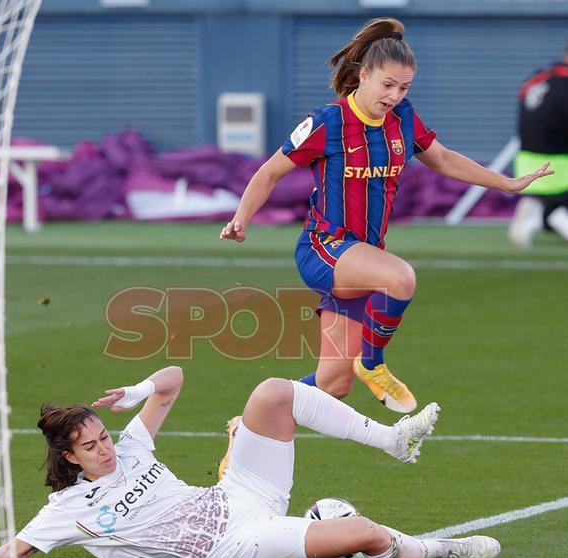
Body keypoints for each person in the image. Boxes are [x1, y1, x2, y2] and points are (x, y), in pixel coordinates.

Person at [220, 17, 553, 414]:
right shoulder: (327, 122)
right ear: (363, 75)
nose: (395, 95)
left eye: (404, 87)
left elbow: (443, 159)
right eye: (388, 85)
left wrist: (507, 184)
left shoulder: (403, 119)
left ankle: (248, 423)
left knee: (331, 386)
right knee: (400, 278)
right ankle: (372, 363)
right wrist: (241, 218)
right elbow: (269, 171)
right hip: (325, 248)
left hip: (363, 257)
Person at [0, 366, 500, 558]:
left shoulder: (130, 446)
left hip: (238, 492)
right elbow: (13, 553)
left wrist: (141, 389)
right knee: (365, 533)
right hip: (237, 541)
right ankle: (432, 547)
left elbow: (175, 378)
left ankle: (394, 440)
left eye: (103, 436)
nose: (106, 448)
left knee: (274, 392)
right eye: (91, 446)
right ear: (69, 457)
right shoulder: (68, 511)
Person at [508, 43, 568, 248]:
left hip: (527, 160)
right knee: (559, 207)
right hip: (558, 164)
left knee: (555, 202)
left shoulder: (537, 78)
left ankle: (541, 211)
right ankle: (547, 215)